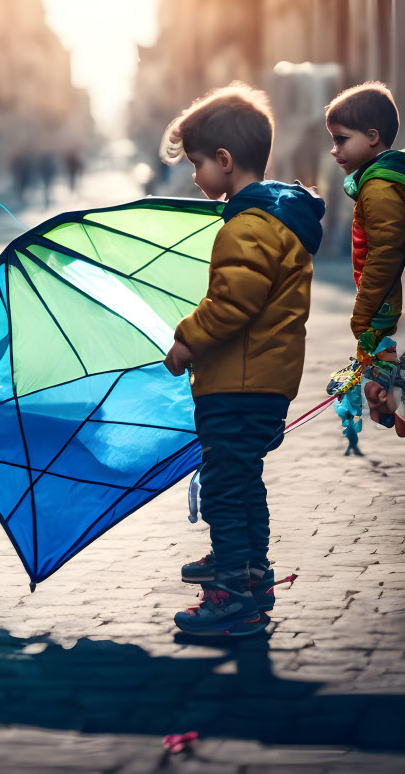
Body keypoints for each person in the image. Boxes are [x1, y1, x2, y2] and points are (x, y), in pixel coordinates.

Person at [160, 83, 325, 638]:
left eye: (196, 164)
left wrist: (186, 340)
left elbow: (232, 304)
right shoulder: (276, 219)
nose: (194, 176)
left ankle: (230, 591)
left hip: (239, 382)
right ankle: (252, 571)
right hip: (264, 381)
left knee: (226, 487)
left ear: (224, 161)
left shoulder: (247, 224)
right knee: (243, 480)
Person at [324, 81, 405, 345]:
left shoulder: (379, 188)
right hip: (378, 300)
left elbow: (385, 255)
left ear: (372, 137)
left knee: (378, 367)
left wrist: (364, 311)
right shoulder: (375, 182)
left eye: (341, 139)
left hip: (379, 304)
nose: (334, 149)